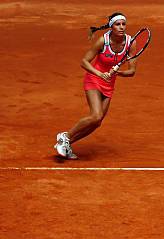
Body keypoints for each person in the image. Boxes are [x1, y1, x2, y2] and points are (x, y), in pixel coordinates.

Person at [54, 12, 137, 159]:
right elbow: (84, 61)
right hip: (94, 79)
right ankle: (65, 136)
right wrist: (100, 74)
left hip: (109, 84)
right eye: (118, 24)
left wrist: (119, 73)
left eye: (124, 24)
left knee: (97, 122)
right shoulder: (102, 41)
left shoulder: (131, 43)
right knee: (96, 115)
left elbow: (132, 71)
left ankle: (67, 143)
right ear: (111, 27)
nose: (122, 27)